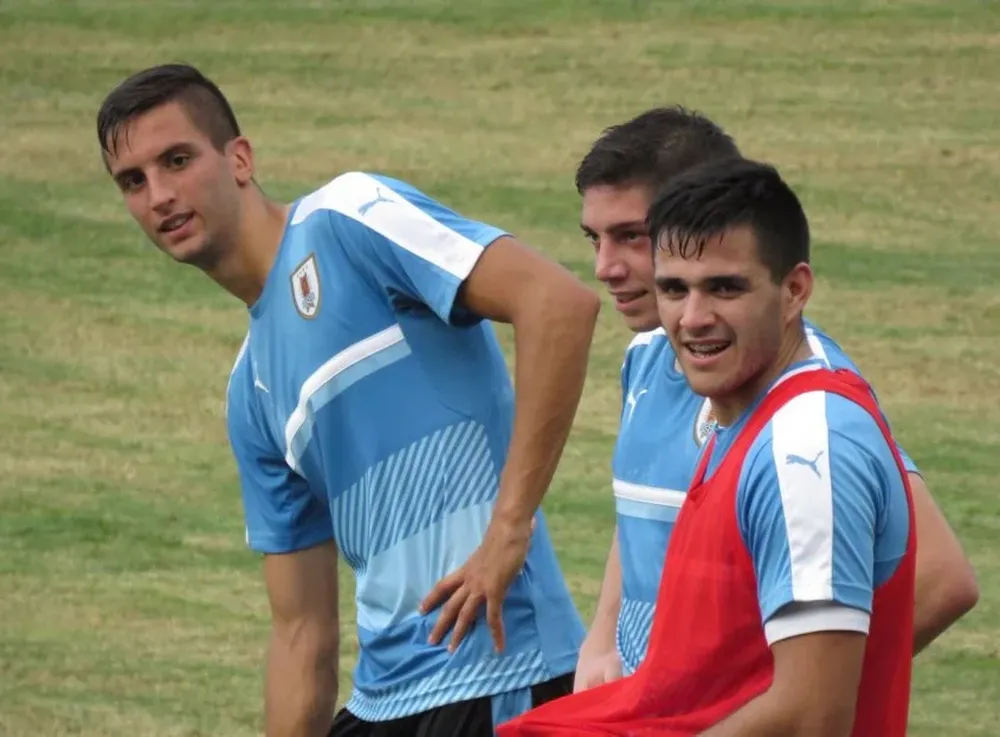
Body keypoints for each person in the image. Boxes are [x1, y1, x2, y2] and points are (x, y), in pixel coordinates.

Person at [95, 63, 600, 737]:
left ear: (238, 158)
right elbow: (301, 631)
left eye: (177, 160)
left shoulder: (347, 220)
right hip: (382, 701)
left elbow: (558, 304)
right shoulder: (251, 392)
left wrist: (509, 528)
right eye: (134, 181)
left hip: (497, 672)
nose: (159, 194)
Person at [500, 157, 919, 736]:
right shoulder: (738, 422)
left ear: (794, 290)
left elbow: (811, 715)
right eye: (674, 289)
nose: (693, 319)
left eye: (724, 288)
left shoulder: (803, 447)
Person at [571, 107, 978, 691]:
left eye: (631, 236)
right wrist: (604, 639)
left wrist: (777, 703)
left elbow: (941, 578)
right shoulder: (651, 354)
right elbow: (645, 515)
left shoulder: (805, 406)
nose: (605, 267)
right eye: (594, 238)